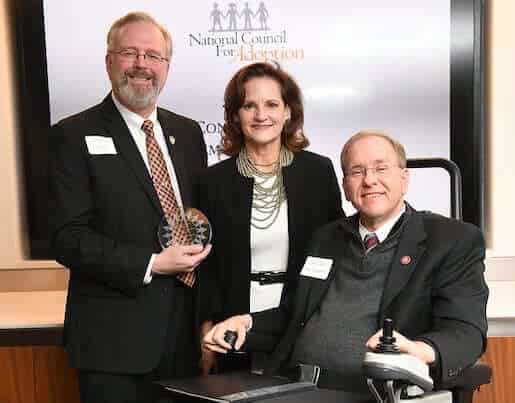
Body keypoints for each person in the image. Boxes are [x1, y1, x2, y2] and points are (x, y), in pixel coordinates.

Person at [203, 131, 488, 399]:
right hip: (292, 386)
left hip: (373, 393)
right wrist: (246, 322)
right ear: (345, 187)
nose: (369, 180)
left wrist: (418, 351)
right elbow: (295, 316)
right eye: (357, 171)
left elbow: (465, 332)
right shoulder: (327, 238)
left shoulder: (451, 240)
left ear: (405, 178)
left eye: (381, 168)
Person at [48, 12, 211, 403]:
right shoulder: (71, 135)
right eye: (130, 53)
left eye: (153, 56)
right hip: (112, 347)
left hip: (184, 341)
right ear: (109, 62)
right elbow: (67, 238)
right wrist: (151, 264)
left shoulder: (187, 133)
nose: (142, 64)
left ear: (166, 67)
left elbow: (200, 221)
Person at [196, 62, 343, 375]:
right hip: (232, 325)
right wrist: (205, 328)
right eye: (249, 105)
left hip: (302, 318)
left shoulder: (318, 172)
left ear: (288, 112)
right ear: (236, 115)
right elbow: (206, 266)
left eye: (272, 104)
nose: (261, 115)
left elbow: (338, 249)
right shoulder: (213, 182)